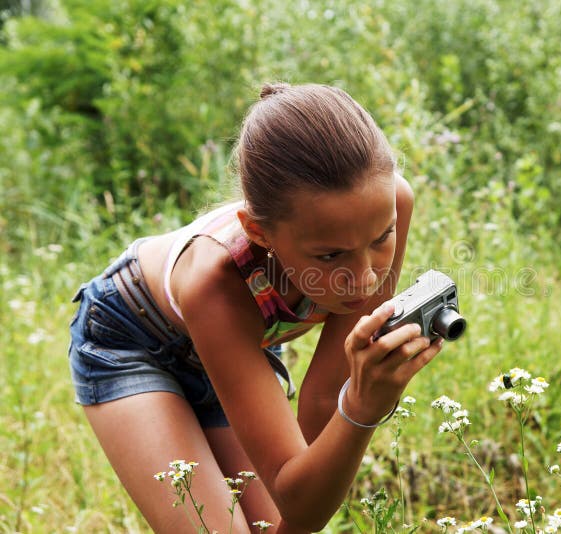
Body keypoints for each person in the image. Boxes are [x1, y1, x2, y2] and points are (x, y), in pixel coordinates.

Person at [68, 82, 444, 533]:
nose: (364, 278)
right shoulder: (217, 282)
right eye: (329, 256)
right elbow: (301, 498)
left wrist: (353, 407)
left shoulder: (388, 201)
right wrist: (363, 407)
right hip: (131, 336)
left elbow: (324, 402)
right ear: (259, 232)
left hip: (239, 344)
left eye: (382, 238)